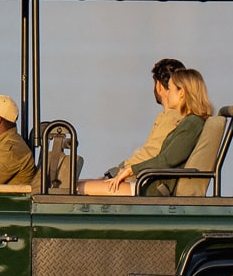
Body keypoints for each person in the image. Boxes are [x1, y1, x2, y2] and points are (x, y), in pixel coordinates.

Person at [82, 68, 213, 196]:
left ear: (181, 92)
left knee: (77, 188)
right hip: (150, 182)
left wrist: (130, 170)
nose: (167, 93)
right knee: (78, 185)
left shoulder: (192, 123)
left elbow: (166, 160)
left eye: (171, 88)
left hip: (153, 188)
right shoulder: (189, 122)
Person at [99, 58, 190, 181]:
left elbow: (150, 155)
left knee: (79, 188)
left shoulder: (172, 117)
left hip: (146, 180)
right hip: (143, 175)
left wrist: (114, 172)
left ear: (158, 86)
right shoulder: (173, 116)